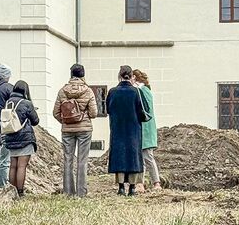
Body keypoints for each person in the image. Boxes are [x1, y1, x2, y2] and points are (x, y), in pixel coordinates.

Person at [52, 63, 98, 197]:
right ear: (83, 75)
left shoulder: (62, 91)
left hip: (67, 130)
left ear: (71, 74)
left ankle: (68, 192)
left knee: (68, 159)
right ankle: (81, 193)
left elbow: (55, 112)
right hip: (84, 130)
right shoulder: (88, 91)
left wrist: (66, 121)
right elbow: (94, 113)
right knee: (82, 160)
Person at [106, 65, 147, 196]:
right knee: (133, 156)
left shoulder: (112, 92)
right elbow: (141, 111)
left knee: (119, 155)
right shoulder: (135, 92)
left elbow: (108, 109)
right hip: (133, 129)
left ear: (119, 76)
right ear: (131, 76)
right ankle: (133, 187)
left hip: (117, 128)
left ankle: (121, 187)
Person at [4, 80, 39, 196]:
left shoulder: (8, 102)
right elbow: (35, 121)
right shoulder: (26, 103)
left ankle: (11, 191)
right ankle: (20, 191)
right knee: (21, 166)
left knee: (13, 165)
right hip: (24, 138)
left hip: (10, 136)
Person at [132, 68, 162, 192]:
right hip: (148, 128)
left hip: (145, 128)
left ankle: (147, 183)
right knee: (148, 157)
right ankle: (153, 183)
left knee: (146, 157)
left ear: (135, 78)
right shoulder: (147, 90)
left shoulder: (140, 91)